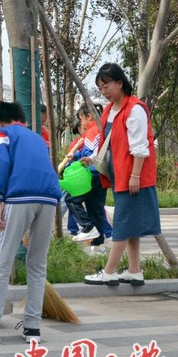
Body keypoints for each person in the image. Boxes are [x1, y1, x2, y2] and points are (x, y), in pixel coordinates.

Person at [0, 102, 62, 344]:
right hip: (49, 198)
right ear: (23, 121)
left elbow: (2, 164)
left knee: (3, 259)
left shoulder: (0, 134)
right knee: (37, 264)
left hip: (20, 197)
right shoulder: (38, 138)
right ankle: (32, 328)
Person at [84, 63, 161, 286]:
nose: (103, 91)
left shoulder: (134, 108)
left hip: (132, 177)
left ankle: (109, 271)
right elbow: (111, 143)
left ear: (120, 82)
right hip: (120, 175)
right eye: (100, 87)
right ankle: (135, 270)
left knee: (123, 222)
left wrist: (135, 176)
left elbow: (140, 146)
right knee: (131, 223)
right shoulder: (110, 111)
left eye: (106, 85)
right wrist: (94, 159)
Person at [65, 103, 111, 248]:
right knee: (95, 208)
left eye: (82, 119)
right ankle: (98, 242)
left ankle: (87, 227)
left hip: (92, 173)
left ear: (89, 116)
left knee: (71, 199)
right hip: (103, 174)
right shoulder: (104, 129)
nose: (82, 124)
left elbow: (89, 153)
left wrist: (75, 155)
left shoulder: (92, 130)